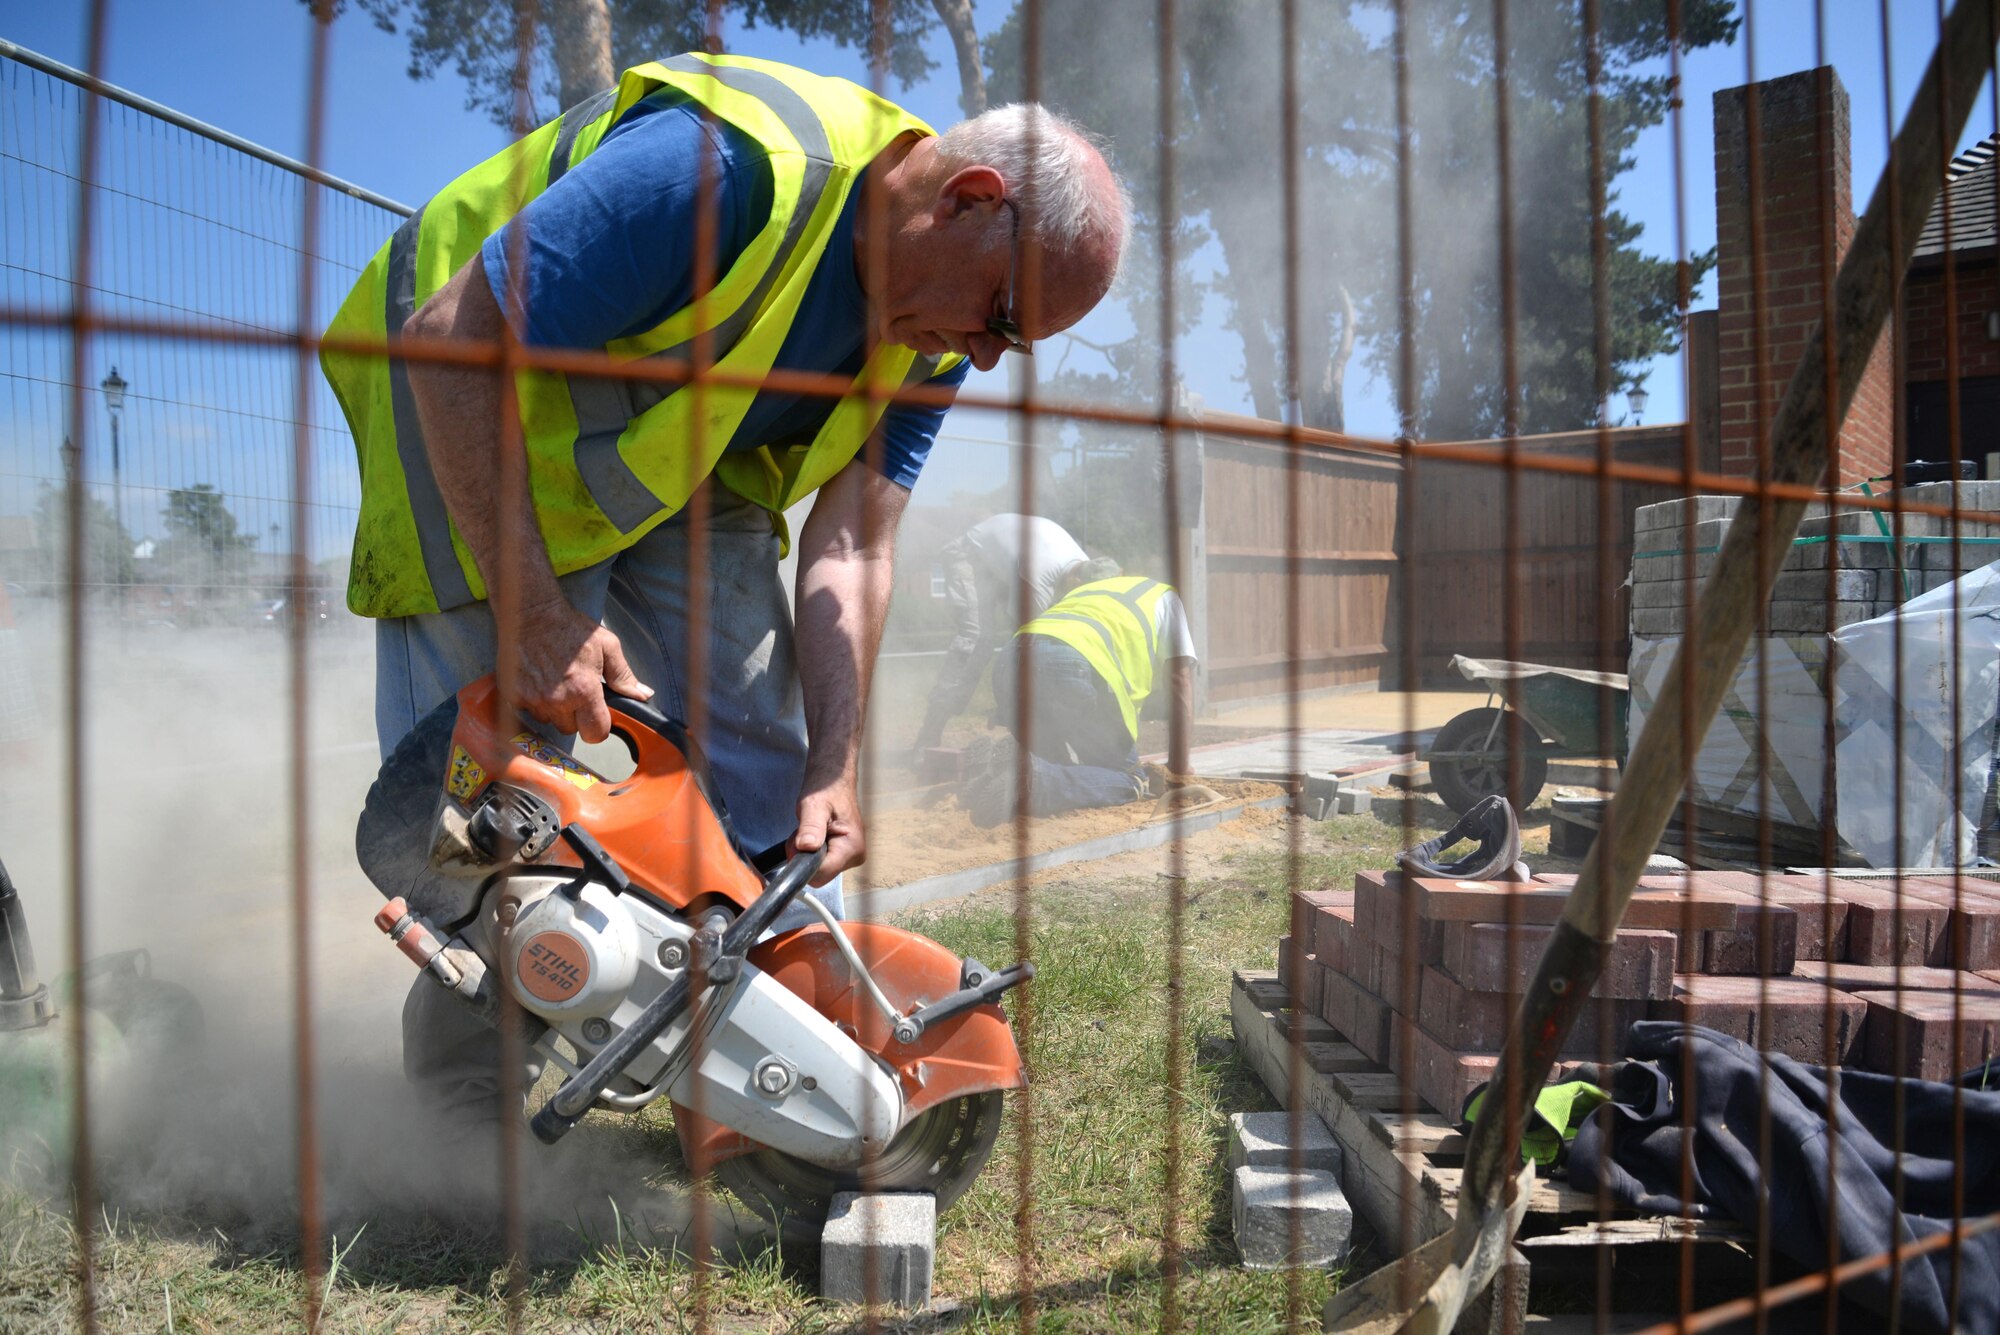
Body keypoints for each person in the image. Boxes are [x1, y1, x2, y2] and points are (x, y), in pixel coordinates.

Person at [320, 52, 1130, 1118]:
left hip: (667, 457)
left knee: (764, 763)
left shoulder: (926, 334)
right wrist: (537, 611)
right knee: (504, 805)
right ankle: (468, 1112)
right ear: (967, 202)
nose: (984, 359)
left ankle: (756, 1064)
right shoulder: (722, 171)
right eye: (1002, 318)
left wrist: (832, 769)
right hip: (461, 401)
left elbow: (852, 550)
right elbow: (453, 339)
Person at [964, 574, 1198, 826]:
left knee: (1052, 765)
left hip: (1010, 658)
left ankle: (989, 775)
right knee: (1128, 778)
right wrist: (1179, 765)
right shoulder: (1166, 597)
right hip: (1070, 661)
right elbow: (1179, 681)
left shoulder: (1086, 592)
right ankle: (1034, 780)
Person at [907, 514, 1108, 766]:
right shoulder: (1041, 574)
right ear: (1075, 579)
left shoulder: (1085, 567)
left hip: (1004, 565)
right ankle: (928, 736)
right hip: (969, 556)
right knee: (976, 641)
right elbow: (1023, 644)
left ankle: (1047, 735)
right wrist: (1009, 701)